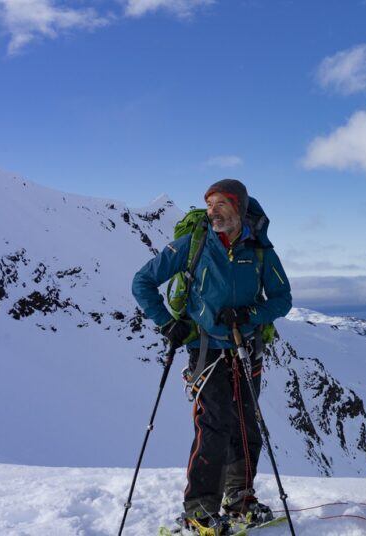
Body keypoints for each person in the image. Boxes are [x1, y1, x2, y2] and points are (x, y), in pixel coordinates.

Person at [132, 179, 292, 535]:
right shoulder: (194, 245)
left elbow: (282, 299)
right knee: (214, 427)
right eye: (210, 205)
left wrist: (250, 315)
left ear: (239, 208)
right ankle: (200, 510)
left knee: (247, 427)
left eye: (221, 203)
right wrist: (167, 324)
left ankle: (240, 500)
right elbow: (142, 281)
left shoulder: (261, 251)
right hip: (206, 352)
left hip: (246, 350)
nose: (213, 211)